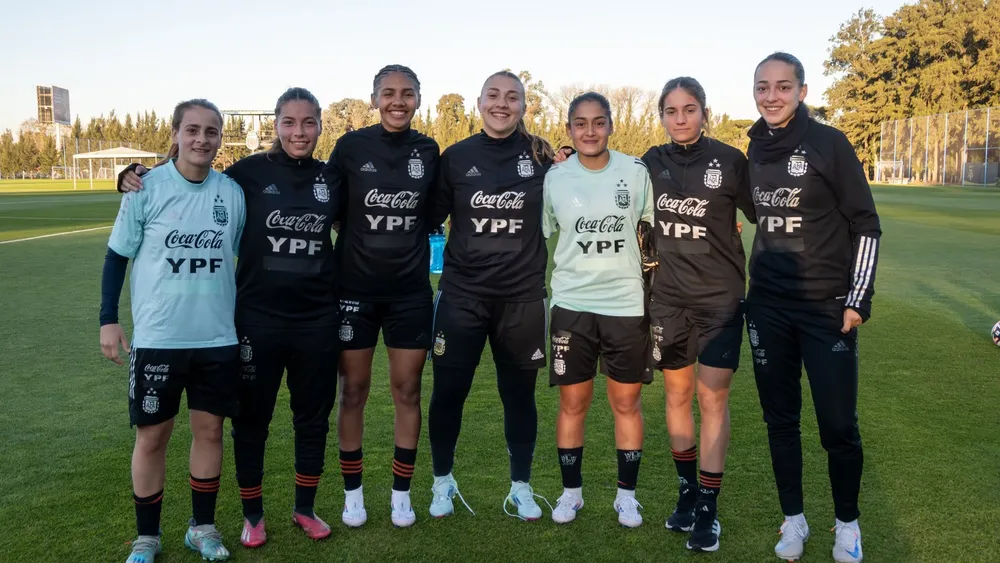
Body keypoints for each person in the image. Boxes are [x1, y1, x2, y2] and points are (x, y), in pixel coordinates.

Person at [116, 87, 341, 548]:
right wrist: (133, 174)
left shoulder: (333, 178)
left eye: (309, 123)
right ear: (276, 125)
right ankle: (253, 516)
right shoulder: (246, 174)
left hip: (318, 319)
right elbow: (190, 178)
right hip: (256, 319)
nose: (299, 132)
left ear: (320, 126)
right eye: (289, 122)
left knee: (312, 418)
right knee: (251, 421)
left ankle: (305, 508)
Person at [745, 52, 880, 563]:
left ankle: (847, 525)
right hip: (767, 308)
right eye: (763, 87)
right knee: (780, 420)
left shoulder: (829, 143)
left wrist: (857, 300)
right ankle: (794, 520)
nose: (771, 96)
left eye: (782, 86)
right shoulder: (755, 146)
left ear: (802, 91)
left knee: (838, 425)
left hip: (826, 308)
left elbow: (866, 223)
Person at [101, 98, 245, 563]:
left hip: (217, 338)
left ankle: (201, 528)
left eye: (211, 131)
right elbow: (116, 256)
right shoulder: (145, 187)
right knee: (152, 437)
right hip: (160, 339)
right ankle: (148, 536)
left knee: (209, 433)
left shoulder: (232, 193)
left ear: (220, 139)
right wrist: (108, 318)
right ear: (177, 133)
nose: (202, 139)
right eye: (193, 130)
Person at [425, 70, 555, 521]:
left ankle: (521, 486)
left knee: (519, 396)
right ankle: (442, 482)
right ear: (480, 102)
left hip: (521, 298)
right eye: (494, 96)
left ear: (523, 105)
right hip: (462, 297)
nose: (502, 104)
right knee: (448, 393)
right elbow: (428, 218)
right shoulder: (456, 157)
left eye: (512, 97)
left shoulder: (541, 155)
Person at [641, 77, 757, 552]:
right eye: (672, 111)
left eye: (690, 109)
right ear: (663, 116)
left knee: (712, 399)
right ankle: (687, 493)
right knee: (676, 395)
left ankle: (709, 507)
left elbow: (763, 212)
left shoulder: (730, 161)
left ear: (704, 112)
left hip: (720, 299)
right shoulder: (649, 163)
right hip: (667, 298)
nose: (681, 118)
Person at [327, 64, 440, 528]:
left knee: (407, 390)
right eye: (389, 93)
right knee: (352, 390)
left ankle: (400, 493)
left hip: (409, 293)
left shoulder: (428, 150)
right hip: (353, 291)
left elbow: (436, 211)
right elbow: (323, 203)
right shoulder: (350, 147)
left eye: (407, 93)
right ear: (374, 98)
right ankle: (353, 495)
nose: (398, 101)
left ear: (418, 98)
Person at [542, 92, 655, 529]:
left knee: (626, 403)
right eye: (580, 123)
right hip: (572, 304)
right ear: (569, 129)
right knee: (574, 402)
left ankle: (626, 497)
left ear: (610, 125)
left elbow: (651, 230)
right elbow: (543, 232)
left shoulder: (635, 171)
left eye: (599, 122)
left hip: (626, 304)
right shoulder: (555, 179)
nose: (590, 131)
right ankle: (572, 493)